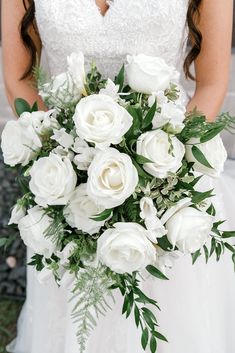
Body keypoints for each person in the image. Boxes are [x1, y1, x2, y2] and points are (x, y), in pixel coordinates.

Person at [1, 1, 235, 352]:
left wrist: (160, 173)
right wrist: (66, 164)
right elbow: (19, 79)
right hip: (70, 187)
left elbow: (212, 84)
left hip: (168, 178)